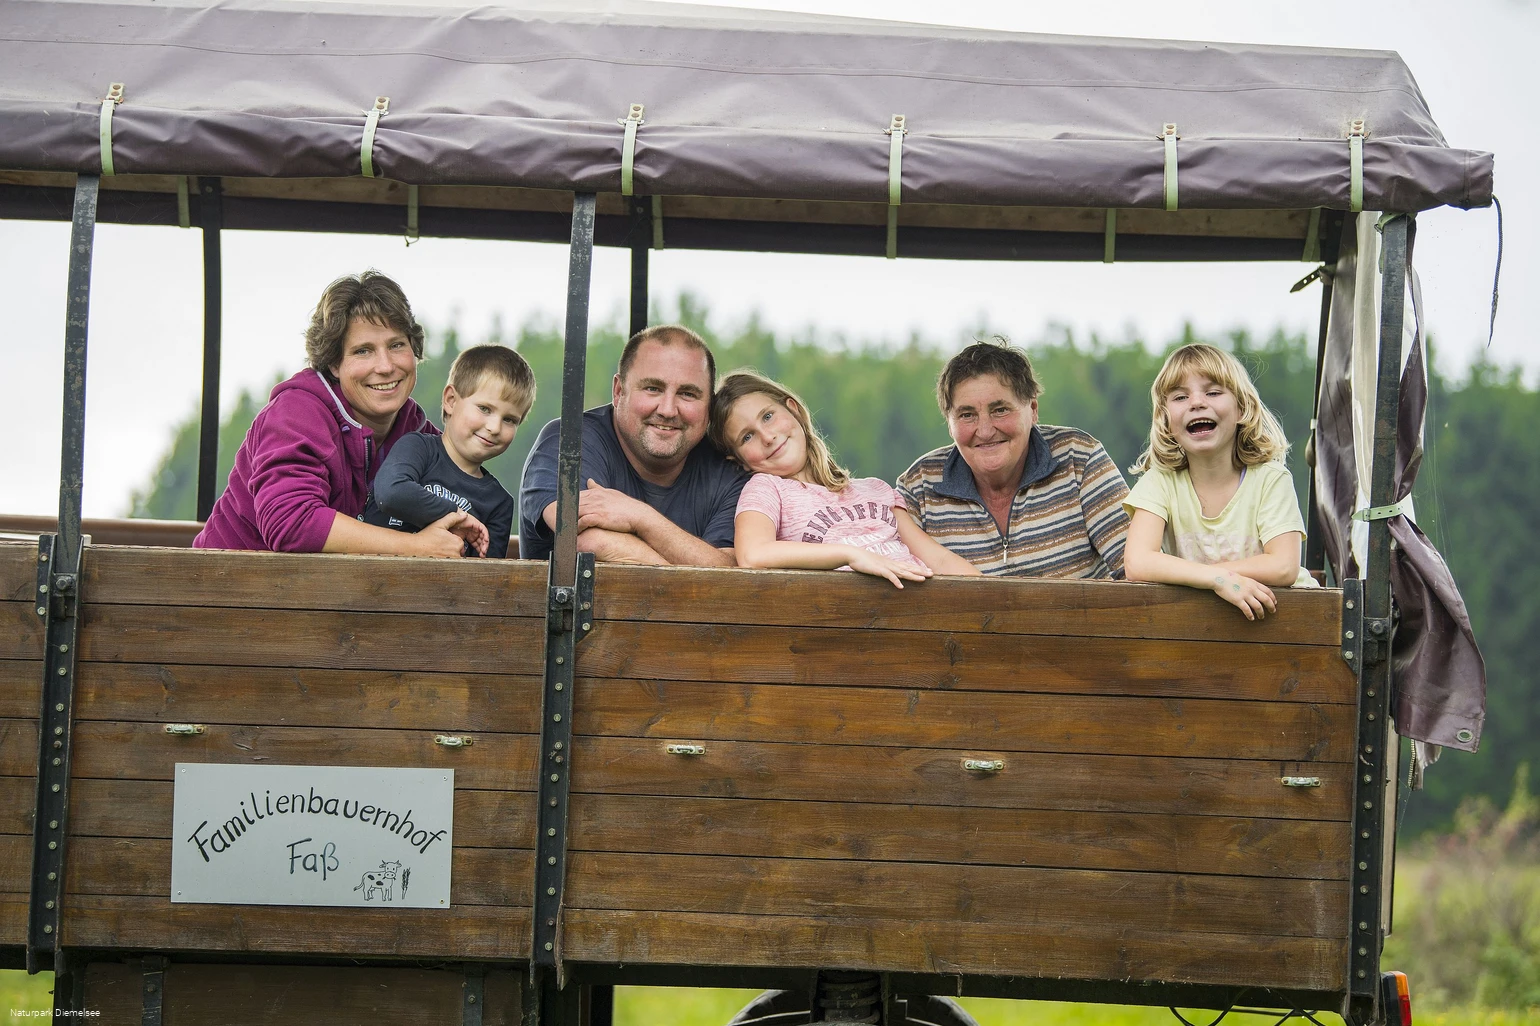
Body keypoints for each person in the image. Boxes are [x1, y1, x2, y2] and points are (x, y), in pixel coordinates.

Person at [195, 271, 478, 557]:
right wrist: (415, 546)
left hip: (326, 585)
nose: (385, 366)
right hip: (222, 580)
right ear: (333, 363)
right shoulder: (296, 413)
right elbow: (292, 523)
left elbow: (469, 498)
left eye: (396, 345)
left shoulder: (420, 434)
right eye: (363, 351)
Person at [708, 370, 980, 588]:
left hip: (923, 615)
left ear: (794, 410)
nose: (767, 437)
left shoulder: (876, 489)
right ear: (739, 460)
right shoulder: (767, 489)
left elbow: (938, 559)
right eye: (747, 437)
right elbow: (753, 555)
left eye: (768, 417)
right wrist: (851, 555)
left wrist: (998, 603)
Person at [897, 338, 1129, 578]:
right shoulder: (919, 486)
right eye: (967, 415)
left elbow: (1136, 573)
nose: (985, 431)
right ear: (949, 424)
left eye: (1000, 410)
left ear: (1033, 409)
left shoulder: (1078, 458)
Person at [518, 325, 749, 564]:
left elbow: (730, 569)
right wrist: (695, 572)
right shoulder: (569, 441)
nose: (668, 410)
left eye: (688, 394)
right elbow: (590, 542)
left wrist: (640, 516)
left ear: (709, 405)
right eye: (653, 389)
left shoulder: (730, 468)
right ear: (619, 391)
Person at [1122, 343, 1317, 620]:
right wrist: (1218, 580)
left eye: (1213, 393)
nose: (1197, 403)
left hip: (1288, 620)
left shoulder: (1270, 479)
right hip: (1202, 625)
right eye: (1180, 397)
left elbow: (1283, 566)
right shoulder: (1159, 482)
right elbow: (1138, 562)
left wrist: (1210, 577)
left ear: (1241, 409)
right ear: (1166, 420)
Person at [361, 344, 534, 559]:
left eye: (509, 420)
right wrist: (459, 517)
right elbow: (391, 493)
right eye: (484, 409)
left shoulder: (499, 503)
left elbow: (486, 574)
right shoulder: (417, 448)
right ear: (451, 400)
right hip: (372, 577)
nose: (494, 427)